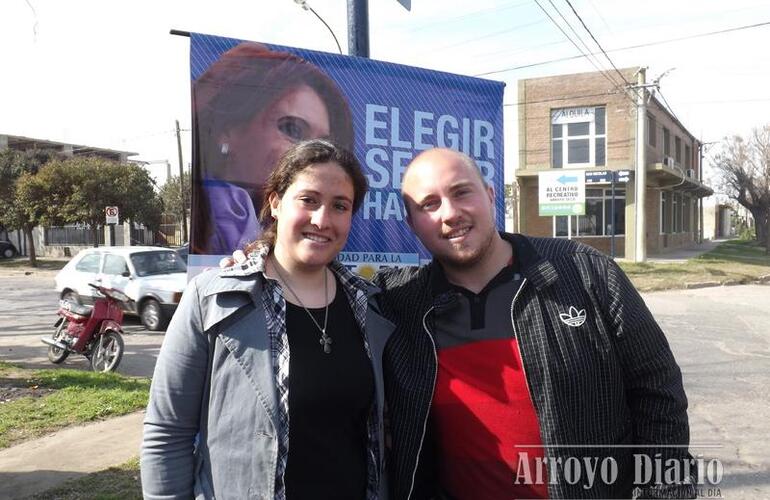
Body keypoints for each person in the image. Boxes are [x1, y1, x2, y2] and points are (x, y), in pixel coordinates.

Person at [373, 148, 696, 499]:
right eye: (429, 205)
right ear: (411, 224)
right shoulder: (400, 302)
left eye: (461, 192)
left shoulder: (586, 272)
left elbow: (658, 392)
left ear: (491, 195)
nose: (450, 213)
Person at [141, 139, 391, 500]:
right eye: (308, 200)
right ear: (275, 202)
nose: (322, 219)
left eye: (340, 206)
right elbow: (167, 431)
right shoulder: (212, 298)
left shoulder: (369, 305)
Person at [191, 42, 353, 255]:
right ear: (229, 128)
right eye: (292, 129)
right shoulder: (215, 250)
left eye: (323, 143)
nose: (312, 156)